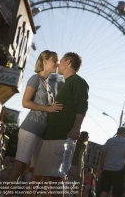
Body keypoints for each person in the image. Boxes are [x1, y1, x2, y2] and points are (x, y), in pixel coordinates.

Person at [5, 50, 63, 195]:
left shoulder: (48, 85)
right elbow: (25, 102)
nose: (57, 63)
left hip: (42, 134)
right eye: (55, 60)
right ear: (45, 61)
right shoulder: (35, 79)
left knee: (38, 173)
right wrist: (48, 108)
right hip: (30, 129)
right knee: (19, 167)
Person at [34, 52, 89, 196]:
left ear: (68, 62)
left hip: (62, 137)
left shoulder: (77, 81)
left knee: (56, 180)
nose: (58, 64)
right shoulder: (66, 84)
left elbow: (82, 105)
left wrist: (77, 127)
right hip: (52, 137)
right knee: (48, 178)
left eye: (61, 61)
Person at [98, 127, 125, 197]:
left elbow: (103, 155)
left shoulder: (109, 141)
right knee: (117, 192)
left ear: (117, 132)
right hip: (118, 170)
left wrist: (101, 168)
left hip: (107, 169)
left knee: (104, 190)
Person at [68, 131, 89, 197]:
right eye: (87, 136)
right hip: (77, 167)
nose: (88, 137)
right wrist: (79, 171)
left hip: (70, 166)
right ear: (84, 137)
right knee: (79, 188)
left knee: (68, 188)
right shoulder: (83, 145)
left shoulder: (75, 143)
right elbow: (80, 158)